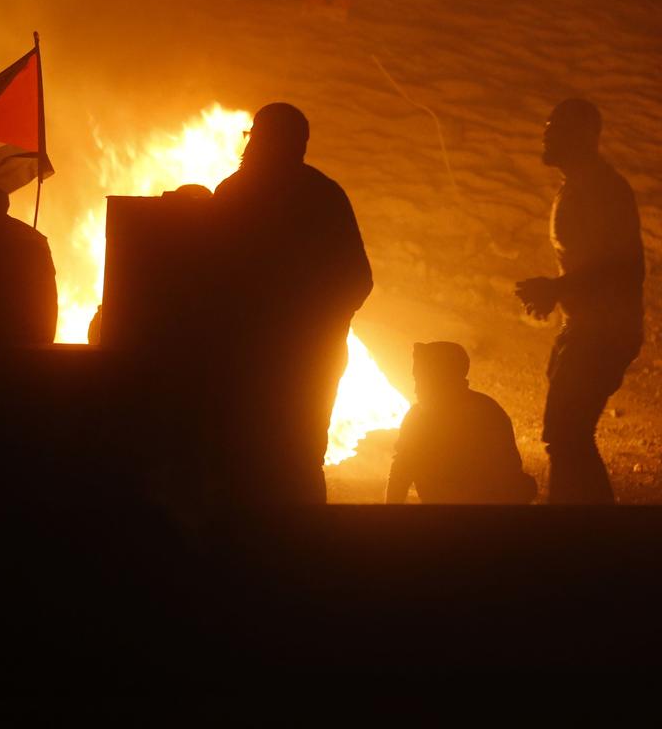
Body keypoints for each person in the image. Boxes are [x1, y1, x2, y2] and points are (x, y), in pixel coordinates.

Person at [209, 102, 372, 506]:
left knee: (244, 461)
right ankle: (304, 549)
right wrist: (322, 327)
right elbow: (358, 281)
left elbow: (208, 281)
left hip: (248, 363)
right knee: (299, 461)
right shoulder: (326, 195)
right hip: (311, 359)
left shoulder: (233, 195)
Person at [515, 99, 644, 504]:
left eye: (558, 127)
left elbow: (623, 268)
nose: (546, 132)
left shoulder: (604, 191)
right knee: (566, 436)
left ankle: (586, 541)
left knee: (567, 436)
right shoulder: (579, 187)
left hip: (605, 331)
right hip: (588, 327)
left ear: (586, 137)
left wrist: (557, 289)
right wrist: (559, 294)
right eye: (547, 123)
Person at [386, 342, 537, 504]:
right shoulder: (419, 417)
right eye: (417, 380)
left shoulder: (484, 415)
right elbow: (400, 472)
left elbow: (506, 476)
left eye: (422, 380)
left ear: (443, 379)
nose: (416, 389)